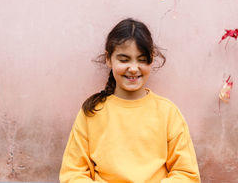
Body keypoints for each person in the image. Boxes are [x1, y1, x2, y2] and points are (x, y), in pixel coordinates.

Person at [59, 18, 200, 182]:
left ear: (151, 59)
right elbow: (73, 174)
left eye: (141, 59)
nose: (133, 69)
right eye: (124, 60)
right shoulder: (92, 113)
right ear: (108, 59)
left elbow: (187, 175)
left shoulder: (168, 113)